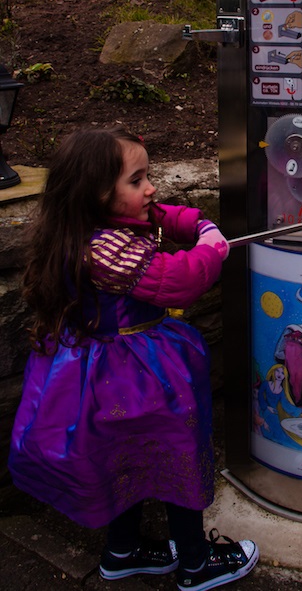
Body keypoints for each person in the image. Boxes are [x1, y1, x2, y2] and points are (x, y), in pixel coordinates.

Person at [8, 127, 258, 591]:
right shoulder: (107, 250)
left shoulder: (87, 227)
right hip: (136, 374)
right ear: (96, 193)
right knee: (173, 455)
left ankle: (122, 551)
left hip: (93, 372)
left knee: (124, 459)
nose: (150, 189)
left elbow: (162, 215)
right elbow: (177, 281)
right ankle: (196, 565)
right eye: (136, 180)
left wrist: (198, 223)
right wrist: (211, 251)